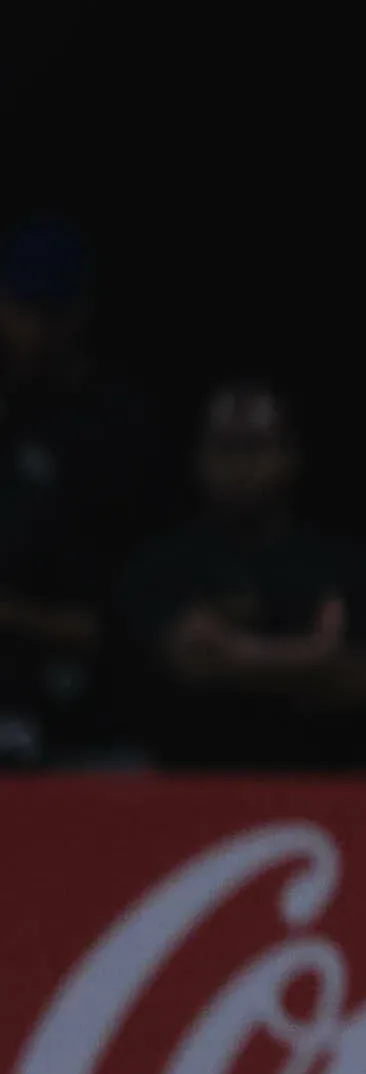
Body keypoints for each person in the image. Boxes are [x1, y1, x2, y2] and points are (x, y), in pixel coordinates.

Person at [115, 382, 366, 765]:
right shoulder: (162, 563)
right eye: (225, 449)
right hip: (196, 776)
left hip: (323, 777)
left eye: (256, 447)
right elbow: (195, 663)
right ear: (198, 457)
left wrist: (237, 653)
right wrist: (316, 657)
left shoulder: (349, 563)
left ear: (291, 456)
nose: (240, 467)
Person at [0, 218, 160, 762]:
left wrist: (16, 615)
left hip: (95, 723)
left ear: (79, 315)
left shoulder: (118, 427)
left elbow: (131, 611)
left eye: (49, 312)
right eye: (20, 309)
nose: (33, 329)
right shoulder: (8, 413)